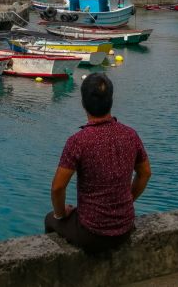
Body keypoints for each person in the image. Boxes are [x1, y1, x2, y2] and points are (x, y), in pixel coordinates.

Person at [45, 73, 151, 253]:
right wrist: (128, 200)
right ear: (110, 100)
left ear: (83, 102)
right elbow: (145, 173)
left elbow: (57, 187)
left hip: (92, 233)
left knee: (50, 220)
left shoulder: (78, 141)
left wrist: (61, 213)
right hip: (125, 228)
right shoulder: (130, 135)